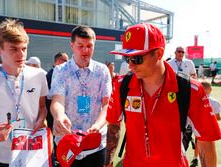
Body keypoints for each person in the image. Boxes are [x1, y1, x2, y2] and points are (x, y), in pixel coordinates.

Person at [104, 23, 221, 167]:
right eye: (127, 58)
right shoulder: (122, 85)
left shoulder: (189, 89)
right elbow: (113, 125)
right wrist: (107, 161)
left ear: (159, 54)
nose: (131, 65)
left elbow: (206, 142)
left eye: (137, 58)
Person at [0, 19, 48, 167]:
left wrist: (40, 120)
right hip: (1, 158)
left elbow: (42, 108)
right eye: (14, 49)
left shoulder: (39, 75)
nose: (21, 54)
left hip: (32, 153)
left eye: (24, 49)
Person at [49, 25, 112, 167]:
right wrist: (59, 116)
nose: (85, 50)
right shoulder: (61, 70)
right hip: (67, 140)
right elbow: (57, 100)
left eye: (89, 46)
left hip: (95, 143)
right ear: (72, 45)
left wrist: (98, 124)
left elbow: (107, 104)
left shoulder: (102, 71)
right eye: (80, 46)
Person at [189, 80, 221, 167]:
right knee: (208, 147)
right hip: (208, 129)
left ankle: (195, 157)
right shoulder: (214, 102)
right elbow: (218, 117)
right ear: (210, 89)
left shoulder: (194, 97)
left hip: (196, 127)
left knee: (197, 143)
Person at [46, 52, 69, 129]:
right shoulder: (52, 74)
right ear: (58, 61)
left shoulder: (57, 73)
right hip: (52, 108)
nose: (67, 63)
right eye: (65, 60)